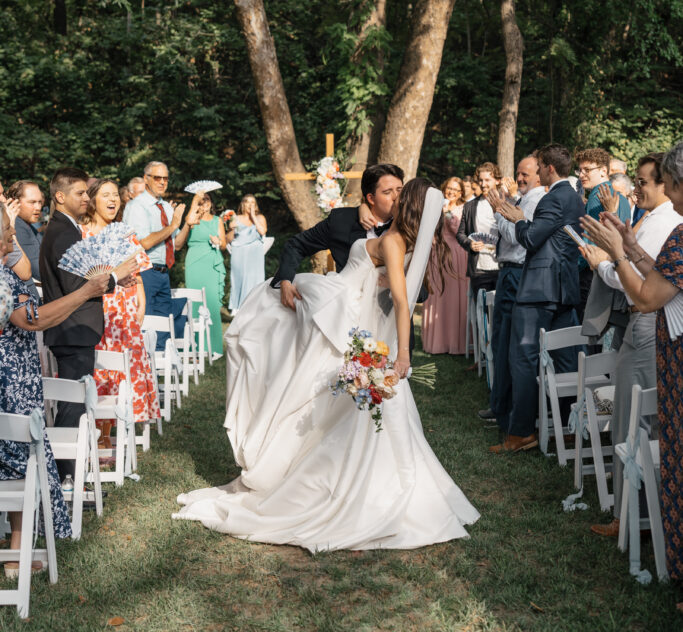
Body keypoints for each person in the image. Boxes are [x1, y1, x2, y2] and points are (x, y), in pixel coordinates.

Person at [174, 178, 480, 550]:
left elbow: (402, 300)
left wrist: (402, 354)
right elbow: (383, 285)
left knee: (318, 395)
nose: (395, 198)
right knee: (290, 368)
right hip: (334, 307)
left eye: (401, 194)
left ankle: (359, 483)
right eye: (390, 192)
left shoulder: (395, 242)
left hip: (344, 318)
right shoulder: (391, 238)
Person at [0, 205, 114, 571]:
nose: (10, 237)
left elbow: (21, 268)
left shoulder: (5, 271)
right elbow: (32, 319)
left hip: (18, 374)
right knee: (18, 454)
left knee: (15, 453)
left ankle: (18, 548)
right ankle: (17, 554)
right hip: (10, 378)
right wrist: (85, 293)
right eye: (6, 230)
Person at [580, 151, 682, 539]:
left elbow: (644, 295)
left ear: (670, 184)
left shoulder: (671, 224)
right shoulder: (660, 220)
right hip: (654, 328)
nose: (637, 187)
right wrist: (626, 244)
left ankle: (630, 517)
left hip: (650, 327)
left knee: (632, 419)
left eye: (646, 181)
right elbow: (656, 269)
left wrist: (611, 256)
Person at [39, 168, 137, 479]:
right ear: (60, 196)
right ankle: (66, 477)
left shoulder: (64, 228)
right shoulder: (64, 232)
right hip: (73, 328)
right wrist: (114, 276)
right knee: (72, 405)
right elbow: (74, 285)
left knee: (74, 401)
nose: (86, 197)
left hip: (74, 328)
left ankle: (67, 474)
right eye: (80, 193)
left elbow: (82, 278)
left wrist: (112, 282)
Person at [490, 144, 585, 454]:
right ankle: (568, 429)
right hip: (563, 288)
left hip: (539, 290)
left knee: (523, 358)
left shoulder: (553, 198)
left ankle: (520, 432)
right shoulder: (573, 197)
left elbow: (530, 239)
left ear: (549, 169)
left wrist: (518, 218)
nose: (539, 172)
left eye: (541, 167)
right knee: (565, 360)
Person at [82, 179, 160, 431]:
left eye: (116, 195)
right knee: (100, 367)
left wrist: (141, 303)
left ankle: (121, 424)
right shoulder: (81, 235)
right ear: (92, 200)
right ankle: (101, 431)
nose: (113, 200)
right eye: (106, 195)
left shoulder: (125, 233)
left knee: (124, 367)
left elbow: (138, 275)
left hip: (124, 315)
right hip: (96, 310)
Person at [273, 163, 404, 311]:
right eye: (387, 192)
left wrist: (394, 283)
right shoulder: (341, 222)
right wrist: (285, 280)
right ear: (371, 198)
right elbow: (296, 245)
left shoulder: (409, 228)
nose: (396, 197)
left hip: (393, 319)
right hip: (347, 315)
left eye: (400, 190)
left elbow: (422, 293)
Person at [484, 155, 545, 430]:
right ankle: (499, 405)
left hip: (516, 273)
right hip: (508, 270)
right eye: (518, 173)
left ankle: (503, 410)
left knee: (507, 340)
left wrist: (499, 209)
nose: (520, 178)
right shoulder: (523, 198)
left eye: (525, 174)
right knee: (500, 340)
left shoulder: (534, 200)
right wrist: (505, 207)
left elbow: (515, 236)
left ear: (540, 175)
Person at [123, 161, 200, 346]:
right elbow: (144, 242)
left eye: (165, 178)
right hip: (144, 273)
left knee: (163, 327)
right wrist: (173, 225)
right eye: (158, 178)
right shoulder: (137, 206)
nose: (162, 182)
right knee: (145, 327)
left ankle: (158, 371)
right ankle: (142, 369)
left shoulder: (166, 207)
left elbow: (177, 245)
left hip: (163, 273)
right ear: (146, 179)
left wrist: (187, 224)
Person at [575, 148, 631, 321]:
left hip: (595, 272)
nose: (581, 175)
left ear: (603, 171)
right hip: (618, 268)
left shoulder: (597, 194)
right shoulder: (621, 197)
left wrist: (575, 268)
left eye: (587, 170)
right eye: (579, 170)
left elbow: (589, 241)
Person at [422, 177, 467, 354]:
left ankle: (455, 342)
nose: (451, 192)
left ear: (461, 193)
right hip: (436, 253)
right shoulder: (434, 205)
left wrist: (448, 212)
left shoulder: (463, 208)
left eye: (455, 190)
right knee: (437, 296)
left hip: (456, 254)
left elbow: (458, 230)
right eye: (449, 188)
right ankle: (436, 342)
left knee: (454, 298)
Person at [455, 162, 501, 314]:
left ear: (497, 180)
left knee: (501, 315)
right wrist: (470, 244)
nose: (483, 184)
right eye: (480, 180)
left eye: (487, 180)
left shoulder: (506, 203)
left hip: (502, 267)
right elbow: (460, 234)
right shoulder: (470, 206)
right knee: (483, 317)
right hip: (479, 269)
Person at [185, 193, 226, 355]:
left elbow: (224, 244)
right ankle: (195, 347)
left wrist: (219, 242)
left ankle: (214, 347)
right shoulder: (192, 219)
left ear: (211, 202)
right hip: (194, 263)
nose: (205, 203)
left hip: (212, 263)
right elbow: (187, 225)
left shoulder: (218, 221)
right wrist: (194, 207)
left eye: (207, 200)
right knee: (195, 301)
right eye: (201, 201)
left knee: (212, 302)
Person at [226, 194, 267, 314]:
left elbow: (263, 231)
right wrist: (231, 229)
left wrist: (254, 217)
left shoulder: (260, 218)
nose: (250, 205)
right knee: (238, 278)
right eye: (247, 202)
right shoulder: (235, 218)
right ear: (243, 204)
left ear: (256, 205)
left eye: (252, 202)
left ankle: (256, 307)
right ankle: (236, 307)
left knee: (255, 279)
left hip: (255, 254)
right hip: (239, 253)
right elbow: (227, 239)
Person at [7, 181, 43, 287]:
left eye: (40, 202)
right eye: (32, 202)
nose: (38, 207)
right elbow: (38, 270)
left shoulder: (26, 224)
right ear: (15, 202)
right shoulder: (17, 227)